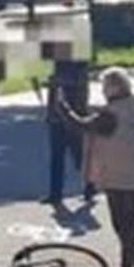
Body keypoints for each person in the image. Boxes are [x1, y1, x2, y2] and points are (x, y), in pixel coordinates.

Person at [57, 67, 134, 267]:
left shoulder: (112, 114)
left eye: (104, 86)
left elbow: (82, 125)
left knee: (122, 226)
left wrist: (63, 108)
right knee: (129, 224)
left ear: (114, 87)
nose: (103, 91)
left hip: (117, 175)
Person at [45, 55, 91, 203]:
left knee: (78, 155)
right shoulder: (55, 61)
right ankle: (55, 193)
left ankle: (90, 186)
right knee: (56, 156)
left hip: (75, 113)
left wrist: (58, 80)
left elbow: (80, 81)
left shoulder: (79, 61)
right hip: (56, 114)